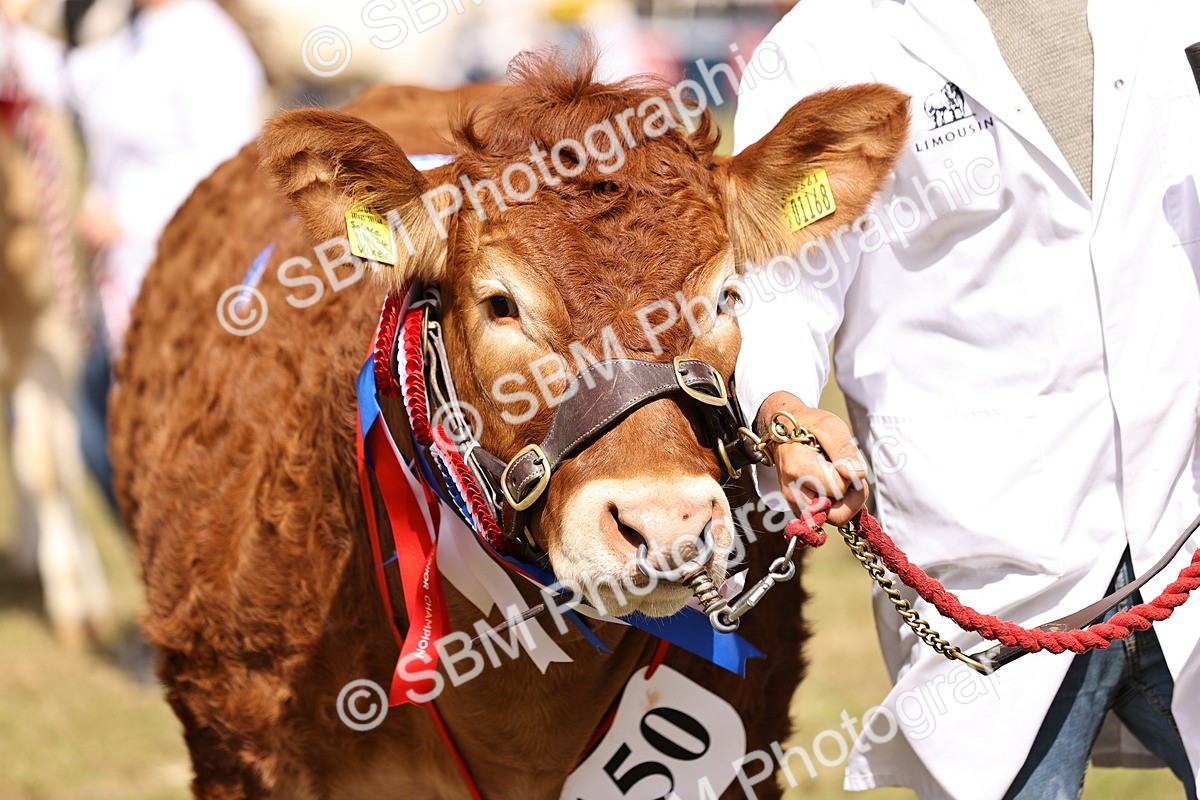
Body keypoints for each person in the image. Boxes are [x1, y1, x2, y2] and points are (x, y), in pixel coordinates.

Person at [732, 1, 1200, 798]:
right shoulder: (830, 41)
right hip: (989, 556)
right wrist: (783, 408)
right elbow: (779, 283)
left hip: (1182, 511)